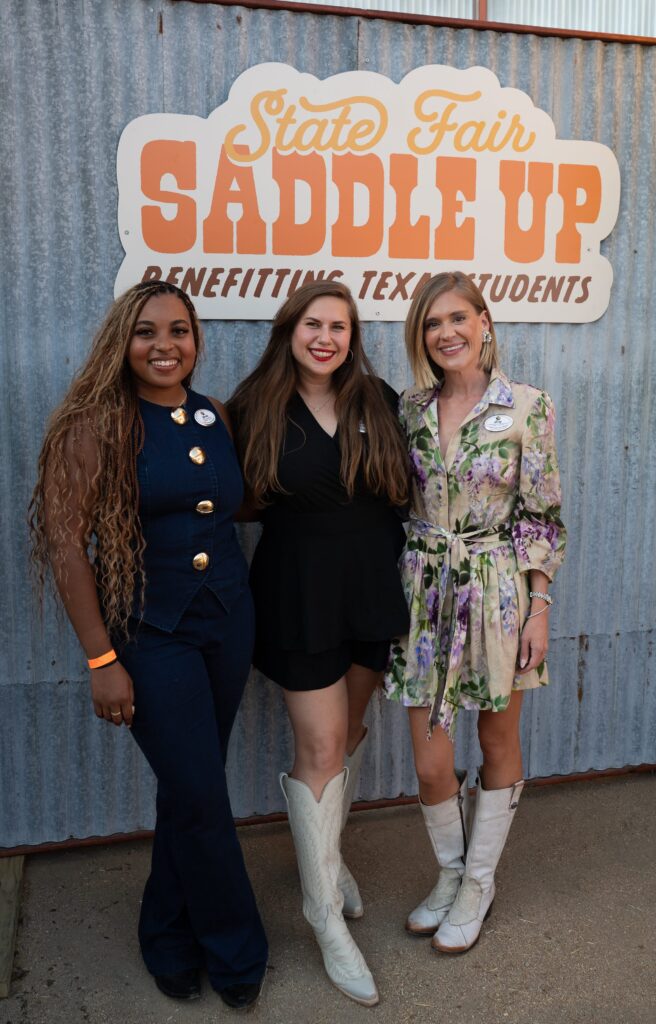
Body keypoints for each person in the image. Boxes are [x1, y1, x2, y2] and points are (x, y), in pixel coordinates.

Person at [29, 281, 268, 1010]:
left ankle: (165, 933)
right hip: (149, 632)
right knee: (200, 793)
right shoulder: (95, 425)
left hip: (227, 623)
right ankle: (236, 954)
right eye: (146, 332)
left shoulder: (214, 414)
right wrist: (103, 660)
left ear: (196, 339)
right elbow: (67, 547)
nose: (165, 345)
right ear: (120, 343)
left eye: (179, 331)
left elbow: (240, 504)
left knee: (188, 793)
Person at [227, 279, 410, 1006]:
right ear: (290, 330)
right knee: (321, 745)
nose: (326, 336)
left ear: (352, 335)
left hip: (370, 584)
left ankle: (328, 861)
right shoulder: (254, 406)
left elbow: (407, 487)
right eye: (313, 324)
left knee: (354, 729)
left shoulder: (379, 398)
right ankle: (323, 915)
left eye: (339, 325)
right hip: (297, 588)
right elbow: (232, 495)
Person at [384, 271, 566, 954]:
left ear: (484, 322)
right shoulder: (408, 410)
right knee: (431, 761)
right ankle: (451, 873)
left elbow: (542, 514)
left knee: (496, 743)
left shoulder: (527, 406)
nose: (447, 333)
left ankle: (479, 883)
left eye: (459, 318)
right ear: (421, 337)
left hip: (497, 590)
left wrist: (539, 606)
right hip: (422, 590)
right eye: (433, 324)